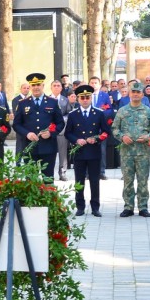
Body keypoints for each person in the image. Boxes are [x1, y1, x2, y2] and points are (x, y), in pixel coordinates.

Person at [111, 81, 150, 218]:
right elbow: (114, 128)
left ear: (142, 94)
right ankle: (128, 207)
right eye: (134, 92)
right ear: (129, 94)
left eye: (138, 92)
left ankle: (143, 207)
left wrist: (148, 136)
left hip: (143, 151)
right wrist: (122, 137)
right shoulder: (122, 111)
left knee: (143, 180)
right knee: (128, 180)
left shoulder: (148, 111)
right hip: (127, 152)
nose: (136, 94)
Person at [13, 72, 66, 178]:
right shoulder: (23, 103)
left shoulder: (53, 102)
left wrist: (51, 133)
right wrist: (27, 134)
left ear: (43, 86)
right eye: (33, 85)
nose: (36, 87)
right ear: (30, 86)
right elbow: (16, 124)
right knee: (31, 181)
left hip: (48, 147)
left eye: (38, 85)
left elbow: (60, 123)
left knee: (48, 180)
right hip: (29, 147)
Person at [63, 84, 106, 216]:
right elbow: (67, 133)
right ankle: (80, 206)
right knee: (79, 180)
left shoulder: (99, 113)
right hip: (79, 152)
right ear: (78, 99)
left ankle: (95, 207)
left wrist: (97, 139)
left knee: (94, 180)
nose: (85, 100)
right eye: (82, 98)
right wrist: (76, 140)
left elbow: (105, 132)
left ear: (91, 98)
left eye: (88, 97)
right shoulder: (73, 114)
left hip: (93, 151)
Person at [51, 78, 73, 180]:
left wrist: (62, 119)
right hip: (50, 131)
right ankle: (49, 172)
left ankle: (62, 172)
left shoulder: (65, 100)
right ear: (51, 88)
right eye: (54, 86)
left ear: (61, 88)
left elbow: (69, 113)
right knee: (49, 152)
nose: (56, 87)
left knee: (63, 153)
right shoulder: (48, 99)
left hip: (62, 131)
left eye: (58, 86)